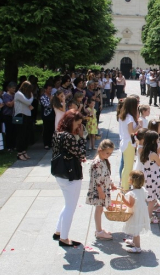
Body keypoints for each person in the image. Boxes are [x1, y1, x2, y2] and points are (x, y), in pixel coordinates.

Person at [52, 110, 87, 247]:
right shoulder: (70, 137)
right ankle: (64, 238)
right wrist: (82, 137)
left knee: (67, 204)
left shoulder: (57, 134)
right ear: (71, 122)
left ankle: (59, 231)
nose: (78, 127)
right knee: (70, 207)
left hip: (59, 173)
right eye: (77, 124)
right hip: (71, 174)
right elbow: (82, 152)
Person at [86, 139, 117, 241]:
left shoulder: (103, 160)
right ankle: (99, 231)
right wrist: (100, 192)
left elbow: (105, 175)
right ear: (100, 150)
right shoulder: (97, 162)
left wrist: (111, 183)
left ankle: (99, 229)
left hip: (102, 189)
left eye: (110, 153)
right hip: (99, 190)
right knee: (99, 209)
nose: (108, 155)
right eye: (107, 153)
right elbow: (96, 179)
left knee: (100, 209)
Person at [121, 170, 151, 253]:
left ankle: (137, 248)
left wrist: (123, 199)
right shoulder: (142, 190)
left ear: (132, 181)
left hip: (136, 213)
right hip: (141, 212)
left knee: (136, 232)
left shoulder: (132, 193)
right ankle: (134, 242)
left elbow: (130, 205)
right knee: (136, 229)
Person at [141, 131, 160, 224]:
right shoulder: (154, 154)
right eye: (157, 139)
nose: (158, 141)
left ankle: (147, 214)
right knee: (152, 199)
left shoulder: (144, 151)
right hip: (153, 178)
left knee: (149, 197)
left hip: (147, 176)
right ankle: (149, 217)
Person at [118, 96, 140, 190]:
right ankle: (125, 188)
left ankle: (124, 186)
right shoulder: (130, 117)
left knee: (126, 167)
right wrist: (138, 126)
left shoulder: (123, 115)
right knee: (129, 167)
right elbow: (131, 132)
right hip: (129, 143)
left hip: (125, 143)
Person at [14, 81, 34, 161]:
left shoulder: (25, 95)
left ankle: (24, 151)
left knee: (26, 134)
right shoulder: (18, 94)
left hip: (26, 116)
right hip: (19, 116)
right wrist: (32, 96)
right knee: (20, 134)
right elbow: (28, 102)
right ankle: (19, 152)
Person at [2, 82, 17, 150]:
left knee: (14, 130)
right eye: (13, 88)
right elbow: (9, 104)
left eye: (15, 88)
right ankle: (8, 146)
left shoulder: (15, 95)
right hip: (8, 115)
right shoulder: (6, 96)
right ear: (9, 88)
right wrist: (15, 99)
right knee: (9, 131)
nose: (14, 90)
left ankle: (14, 145)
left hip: (14, 115)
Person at [40, 82, 55, 150]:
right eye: (49, 89)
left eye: (51, 89)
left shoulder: (52, 96)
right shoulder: (43, 97)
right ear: (45, 89)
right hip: (46, 115)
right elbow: (46, 105)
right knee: (46, 129)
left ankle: (51, 142)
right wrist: (51, 100)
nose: (50, 90)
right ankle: (46, 143)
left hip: (53, 114)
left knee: (52, 129)